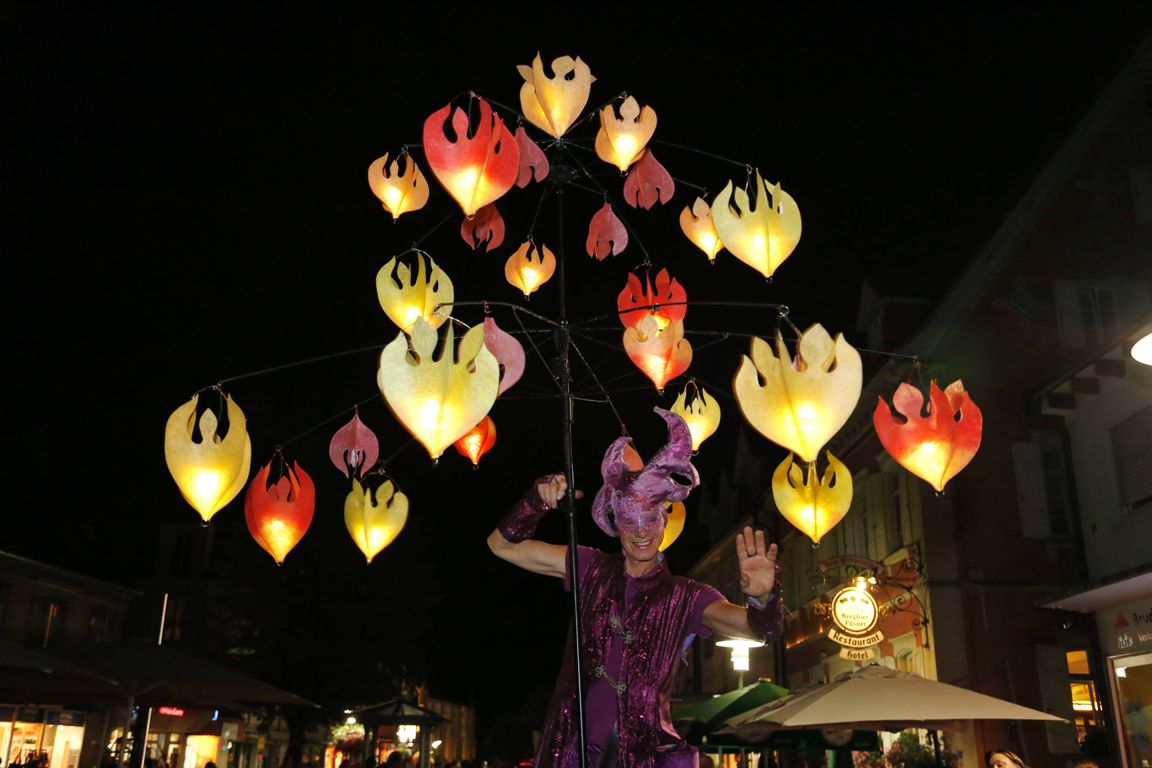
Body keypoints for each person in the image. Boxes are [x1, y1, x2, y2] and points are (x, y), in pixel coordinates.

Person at [488, 407, 784, 768]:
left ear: (664, 520)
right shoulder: (589, 567)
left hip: (642, 757)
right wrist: (535, 501)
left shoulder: (686, 596)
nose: (641, 532)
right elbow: (501, 546)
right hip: (569, 752)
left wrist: (761, 597)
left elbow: (760, 629)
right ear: (614, 520)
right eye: (630, 519)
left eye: (650, 518)